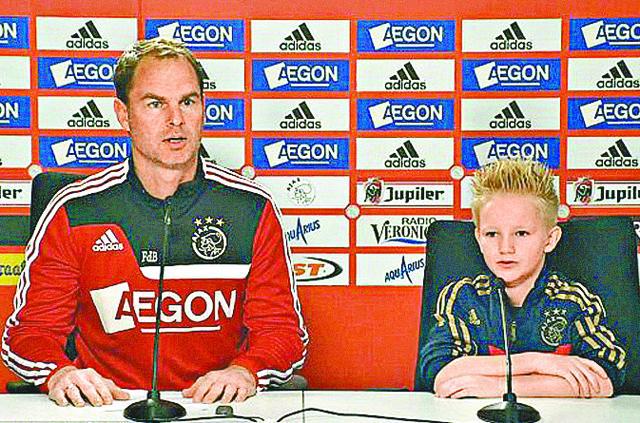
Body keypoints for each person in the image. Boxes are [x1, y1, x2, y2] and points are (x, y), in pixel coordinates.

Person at [2, 38, 307, 407]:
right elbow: (30, 333)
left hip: (214, 409)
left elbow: (281, 331)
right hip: (108, 408)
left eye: (188, 102)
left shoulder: (251, 208)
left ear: (203, 109)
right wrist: (60, 373)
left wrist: (247, 370)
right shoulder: (75, 210)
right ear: (123, 114)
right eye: (155, 103)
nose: (175, 119)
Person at [418, 159, 626, 398]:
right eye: (492, 234)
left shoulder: (573, 301)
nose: (506, 247)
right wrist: (539, 363)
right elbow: (440, 373)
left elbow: (604, 379)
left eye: (521, 233)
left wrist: (497, 388)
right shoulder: (463, 297)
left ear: (550, 239)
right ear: (479, 238)